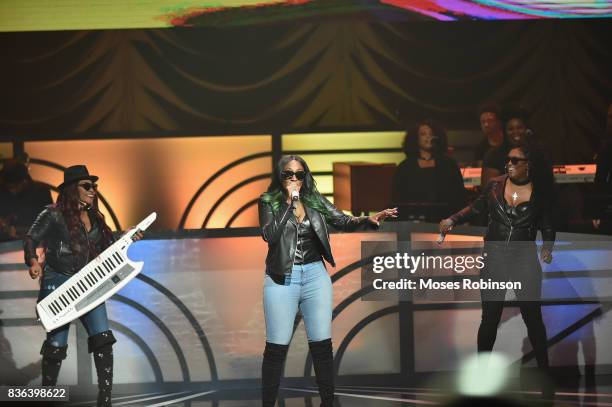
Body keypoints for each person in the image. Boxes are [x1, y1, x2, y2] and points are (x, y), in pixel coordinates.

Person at [258, 155, 397, 407]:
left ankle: (328, 402)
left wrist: (367, 219)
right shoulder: (269, 201)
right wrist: (290, 204)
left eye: (299, 174)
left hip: (314, 274)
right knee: (276, 348)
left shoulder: (314, 199)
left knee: (321, 345)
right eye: (288, 174)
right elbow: (270, 235)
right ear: (280, 177)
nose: (294, 179)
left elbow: (342, 220)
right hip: (282, 278)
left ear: (306, 176)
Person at [439, 140, 555, 396]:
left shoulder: (540, 191)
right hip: (495, 258)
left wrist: (548, 245)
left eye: (516, 160)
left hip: (524, 259)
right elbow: (476, 207)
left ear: (529, 165)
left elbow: (547, 223)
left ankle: (546, 376)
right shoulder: (495, 186)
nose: (510, 164)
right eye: (508, 160)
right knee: (489, 318)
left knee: (532, 318)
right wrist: (453, 219)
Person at [23, 165, 143, 407]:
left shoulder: (96, 217)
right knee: (56, 345)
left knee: (103, 338)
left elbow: (107, 249)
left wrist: (127, 237)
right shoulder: (53, 213)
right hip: (58, 281)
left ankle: (105, 399)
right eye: (87, 186)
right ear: (71, 189)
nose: (93, 191)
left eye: (94, 186)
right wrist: (34, 261)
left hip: (88, 283)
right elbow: (31, 238)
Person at [392, 120, 466, 222]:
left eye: (431, 134)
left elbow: (459, 195)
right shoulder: (405, 167)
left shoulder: (449, 164)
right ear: (415, 139)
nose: (428, 137)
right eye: (423, 134)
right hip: (413, 221)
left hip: (445, 220)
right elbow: (399, 198)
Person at [0, 159, 52, 241]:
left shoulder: (41, 192)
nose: (11, 191)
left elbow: (49, 223)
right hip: (5, 247)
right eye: (8, 187)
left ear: (24, 181)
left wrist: (18, 230)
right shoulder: (2, 191)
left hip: (35, 245)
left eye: (14, 187)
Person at [481, 108, 532, 188]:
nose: (516, 132)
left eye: (519, 128)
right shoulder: (494, 155)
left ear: (526, 130)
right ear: (505, 131)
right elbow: (489, 190)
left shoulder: (535, 153)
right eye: (511, 129)